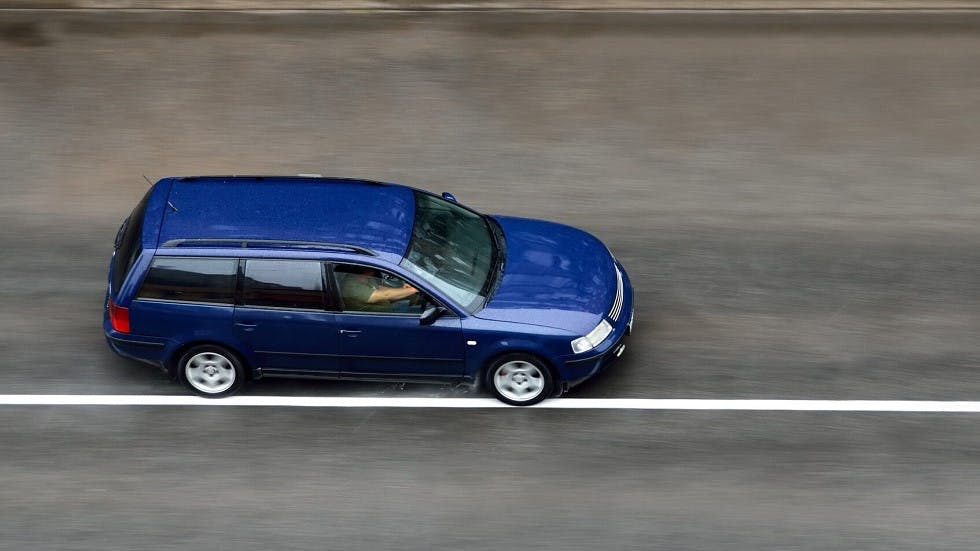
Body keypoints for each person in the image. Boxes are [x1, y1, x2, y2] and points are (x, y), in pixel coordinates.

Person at [341, 267, 419, 313]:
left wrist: (402, 289)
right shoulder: (351, 287)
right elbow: (384, 295)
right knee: (419, 313)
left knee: (416, 304)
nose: (371, 275)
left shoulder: (366, 277)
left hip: (387, 308)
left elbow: (379, 289)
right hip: (381, 317)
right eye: (369, 274)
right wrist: (413, 290)